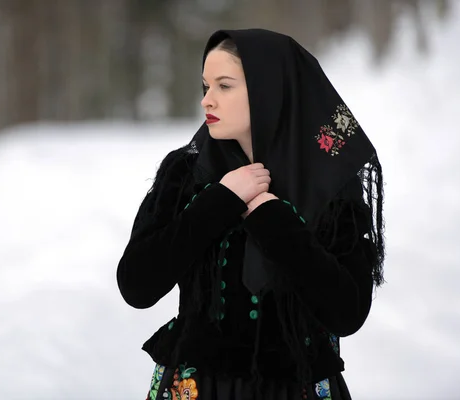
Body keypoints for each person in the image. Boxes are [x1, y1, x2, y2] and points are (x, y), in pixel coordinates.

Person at [116, 29, 385, 400]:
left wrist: (274, 219)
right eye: (205, 86)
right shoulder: (186, 172)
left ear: (269, 90)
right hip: (198, 389)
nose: (207, 100)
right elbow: (137, 284)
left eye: (224, 86)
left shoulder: (329, 184)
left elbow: (347, 312)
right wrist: (221, 200)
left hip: (297, 389)